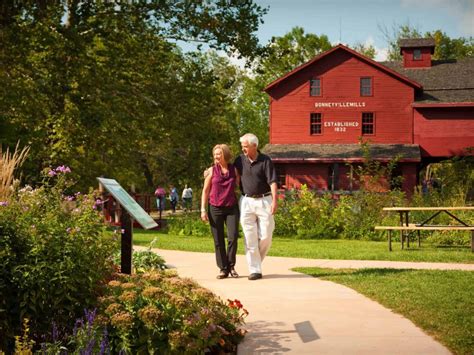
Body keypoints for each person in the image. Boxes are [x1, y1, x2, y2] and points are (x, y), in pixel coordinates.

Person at [234, 133, 278, 281]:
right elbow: (227, 172)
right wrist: (210, 172)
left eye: (245, 146)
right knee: (249, 236)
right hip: (246, 201)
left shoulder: (265, 160)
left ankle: (256, 262)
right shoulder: (239, 160)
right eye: (242, 146)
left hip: (264, 200)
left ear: (254, 146)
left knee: (266, 235)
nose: (243, 149)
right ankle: (255, 270)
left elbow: (272, 181)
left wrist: (275, 201)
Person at [201, 144, 240, 279]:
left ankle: (231, 266)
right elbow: (205, 191)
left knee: (233, 237)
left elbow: (240, 186)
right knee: (218, 240)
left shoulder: (234, 170)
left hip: (231, 208)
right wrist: (202, 209)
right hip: (215, 208)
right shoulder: (211, 171)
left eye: (219, 154)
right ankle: (223, 269)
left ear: (225, 154)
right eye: (215, 154)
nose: (216, 157)